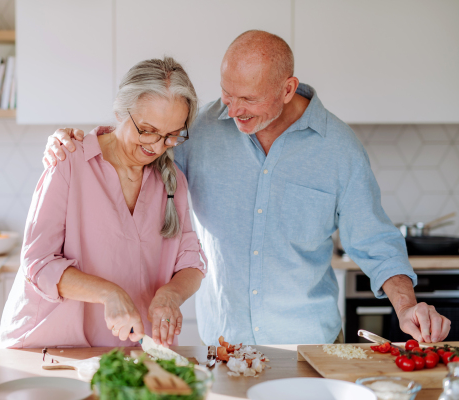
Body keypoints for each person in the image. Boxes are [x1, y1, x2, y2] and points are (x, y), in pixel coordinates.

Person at [42, 31, 451, 345]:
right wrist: (76, 141)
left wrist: (407, 306)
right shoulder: (198, 132)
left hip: (309, 348)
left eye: (248, 100)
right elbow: (138, 155)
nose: (232, 110)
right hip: (221, 347)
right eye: (226, 94)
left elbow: (376, 243)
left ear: (287, 89)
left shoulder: (339, 149)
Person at [0, 57, 206, 349]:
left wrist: (171, 295)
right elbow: (38, 263)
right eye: (147, 130)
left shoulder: (172, 181)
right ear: (121, 110)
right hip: (51, 349)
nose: (157, 147)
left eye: (172, 136)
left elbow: (191, 262)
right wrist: (108, 293)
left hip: (132, 350)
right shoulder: (68, 160)